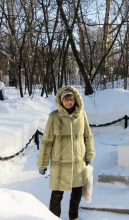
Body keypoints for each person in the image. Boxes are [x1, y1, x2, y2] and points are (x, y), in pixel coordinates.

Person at [37, 86, 95, 220]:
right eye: (65, 99)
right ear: (60, 101)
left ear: (75, 100)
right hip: (60, 163)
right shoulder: (54, 116)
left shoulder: (81, 115)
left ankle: (73, 216)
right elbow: (47, 141)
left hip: (78, 162)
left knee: (77, 192)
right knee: (57, 194)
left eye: (71, 99)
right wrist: (43, 163)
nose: (69, 102)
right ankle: (53, 217)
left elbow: (88, 136)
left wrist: (89, 154)